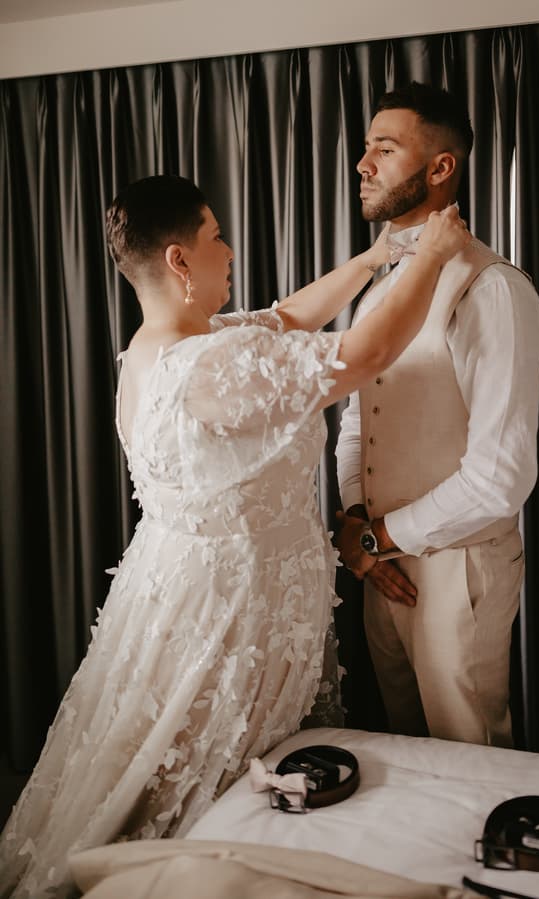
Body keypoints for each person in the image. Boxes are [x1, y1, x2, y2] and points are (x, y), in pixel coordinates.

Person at [0, 175, 469, 898]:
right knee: (208, 797)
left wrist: (376, 258)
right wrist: (433, 256)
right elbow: (365, 353)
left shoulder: (164, 346)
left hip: (177, 589)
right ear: (181, 260)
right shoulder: (208, 365)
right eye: (217, 236)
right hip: (227, 619)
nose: (230, 250)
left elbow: (284, 317)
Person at [335, 82, 539, 748]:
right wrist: (353, 525)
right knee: (407, 753)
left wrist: (378, 538)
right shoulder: (378, 291)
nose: (363, 164)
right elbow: (353, 423)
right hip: (378, 566)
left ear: (440, 167)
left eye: (385, 148)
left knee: (471, 756)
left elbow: (501, 477)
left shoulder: (492, 290)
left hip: (457, 568)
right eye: (366, 147)